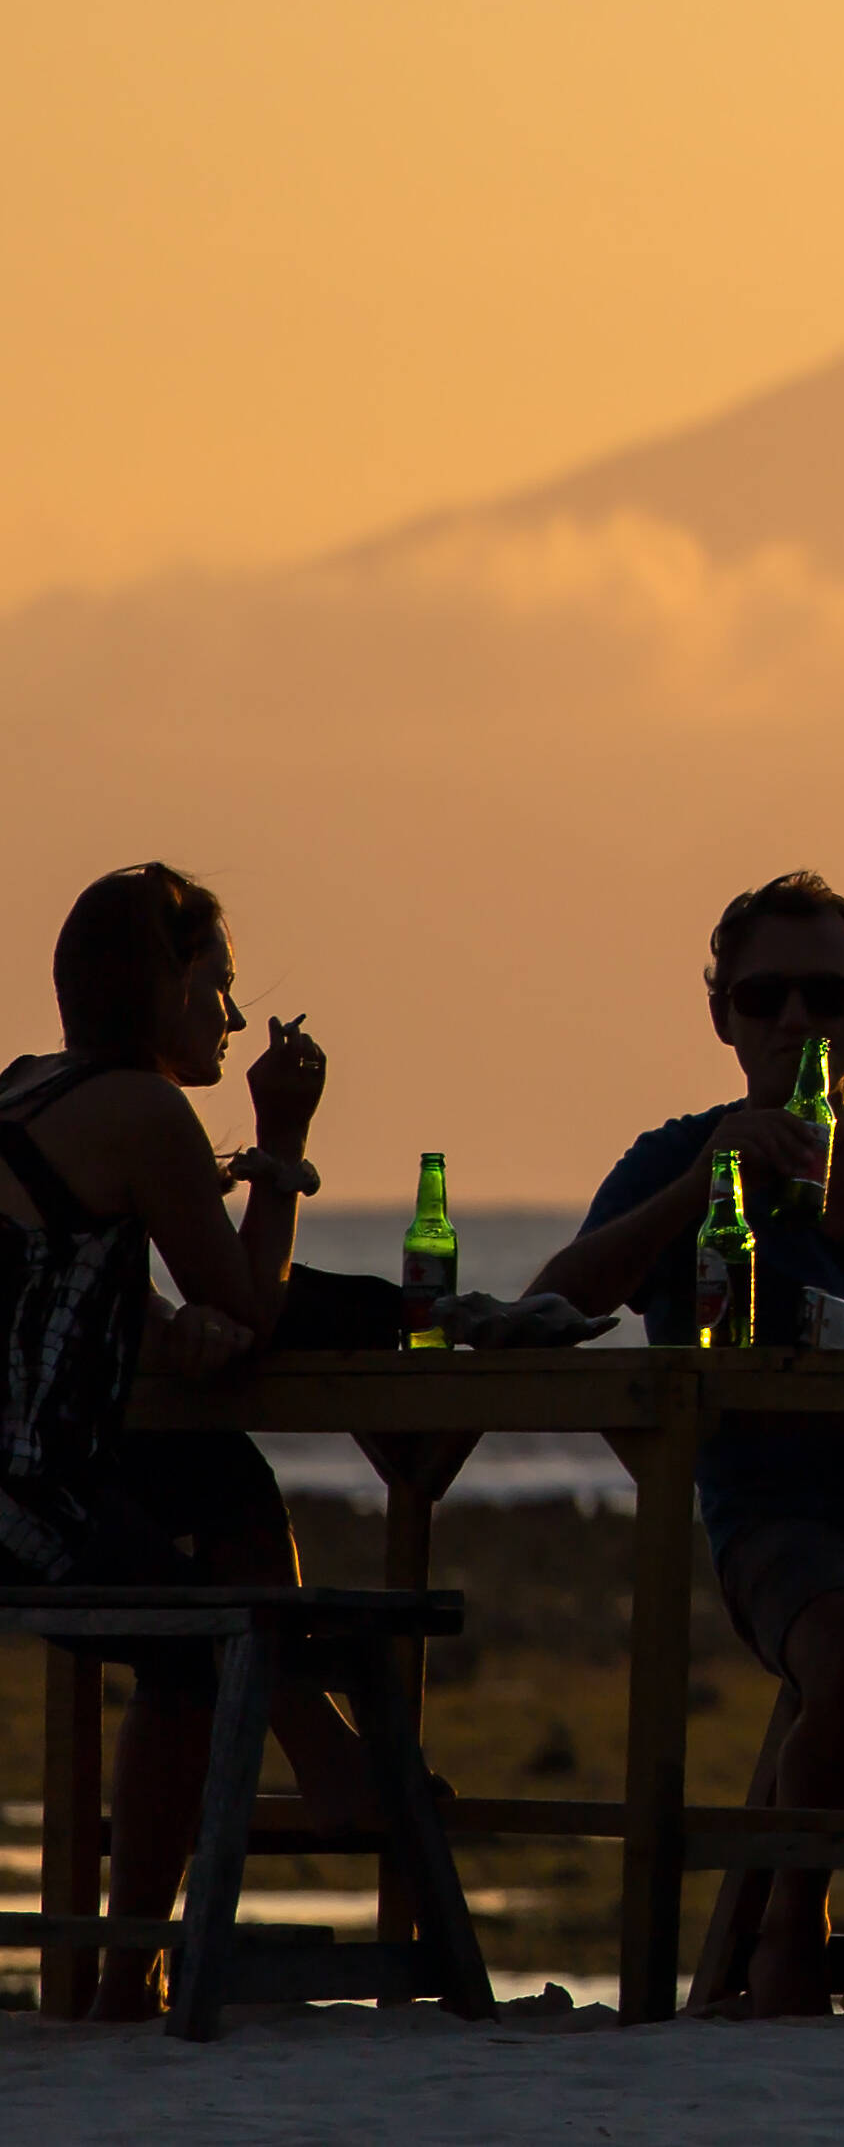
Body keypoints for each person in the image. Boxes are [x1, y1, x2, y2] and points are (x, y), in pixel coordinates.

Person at [530, 870, 844, 2015]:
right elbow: (555, 1307)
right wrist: (706, 1185)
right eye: (764, 999)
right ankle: (795, 1933)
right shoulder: (680, 1156)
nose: (796, 1022)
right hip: (787, 1516)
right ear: (723, 1016)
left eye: (826, 996)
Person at [0, 865, 372, 2020]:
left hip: (39, 1455)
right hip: (29, 1493)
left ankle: (131, 1970)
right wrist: (283, 1142)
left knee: (224, 1483)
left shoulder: (23, 1088)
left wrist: (167, 1330)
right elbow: (257, 1313)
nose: (231, 1017)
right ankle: (325, 1743)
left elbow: (54, 1299)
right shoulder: (147, 1110)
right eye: (217, 986)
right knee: (202, 1620)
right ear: (161, 984)